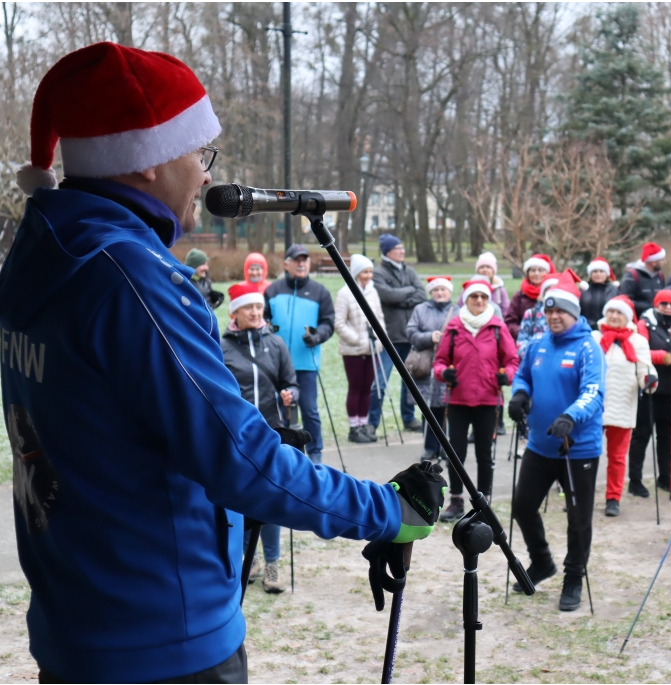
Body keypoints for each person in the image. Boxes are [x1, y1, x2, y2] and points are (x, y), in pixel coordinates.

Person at [1, 41, 447, 683]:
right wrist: (385, 510)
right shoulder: (131, 279)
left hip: (79, 628)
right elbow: (237, 461)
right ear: (147, 158)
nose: (207, 175)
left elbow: (123, 424)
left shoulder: (41, 253)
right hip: (161, 641)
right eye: (197, 152)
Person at [508, 272, 605, 612]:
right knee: (522, 506)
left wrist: (570, 416)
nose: (554, 317)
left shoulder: (588, 347)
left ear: (574, 313)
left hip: (577, 447)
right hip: (540, 444)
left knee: (578, 518)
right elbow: (523, 374)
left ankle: (573, 578)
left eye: (560, 311)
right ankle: (542, 562)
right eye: (549, 312)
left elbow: (593, 391)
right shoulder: (539, 344)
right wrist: (520, 394)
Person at [221, 282, 300, 593]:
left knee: (270, 498)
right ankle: (247, 558)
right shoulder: (222, 346)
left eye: (258, 308)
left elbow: (291, 383)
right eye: (248, 308)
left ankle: (272, 565)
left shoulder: (276, 344)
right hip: (234, 434)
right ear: (234, 313)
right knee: (237, 498)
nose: (256, 313)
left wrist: (290, 394)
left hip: (270, 432)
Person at [434, 277, 519, 522]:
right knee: (456, 453)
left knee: (485, 454)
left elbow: (512, 360)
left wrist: (507, 376)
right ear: (466, 300)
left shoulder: (497, 328)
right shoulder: (453, 327)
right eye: (474, 297)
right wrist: (444, 373)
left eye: (483, 297)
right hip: (458, 401)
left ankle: (484, 503)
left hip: (488, 401)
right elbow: (439, 363)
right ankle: (456, 500)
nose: (479, 301)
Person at [264, 243, 335, 464]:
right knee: (276, 410)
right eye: (297, 260)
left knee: (309, 410)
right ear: (287, 264)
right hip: (276, 364)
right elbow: (264, 320)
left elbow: (328, 322)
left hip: (306, 362)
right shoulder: (273, 290)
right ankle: (281, 452)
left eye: (305, 259)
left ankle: (315, 453)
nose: (302, 263)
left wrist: (317, 336)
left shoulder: (320, 291)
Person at [592, 295, 655, 517]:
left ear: (627, 317)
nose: (614, 316)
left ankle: (613, 498)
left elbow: (645, 370)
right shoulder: (593, 337)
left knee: (617, 457)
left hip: (623, 405)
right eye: (611, 311)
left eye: (619, 313)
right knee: (587, 454)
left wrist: (649, 379)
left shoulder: (638, 342)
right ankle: (583, 494)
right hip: (594, 406)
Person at [628, 289, 671, 493]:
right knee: (642, 434)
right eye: (664, 304)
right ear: (656, 304)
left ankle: (665, 477)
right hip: (649, 388)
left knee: (668, 437)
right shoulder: (645, 323)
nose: (669, 308)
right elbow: (640, 350)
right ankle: (635, 480)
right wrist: (664, 357)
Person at [370, 233, 427, 434]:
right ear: (388, 252)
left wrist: (401, 297)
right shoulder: (378, 273)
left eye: (403, 248)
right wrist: (407, 292)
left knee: (410, 382)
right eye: (398, 249)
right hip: (388, 337)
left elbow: (421, 294)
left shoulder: (409, 271)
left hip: (410, 336)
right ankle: (372, 422)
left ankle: (409, 418)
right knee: (380, 382)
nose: (402, 252)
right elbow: (386, 295)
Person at [334, 254, 385, 444]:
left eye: (371, 271)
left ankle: (363, 424)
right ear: (356, 273)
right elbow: (339, 323)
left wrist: (380, 340)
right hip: (353, 350)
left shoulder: (373, 292)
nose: (369, 275)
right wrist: (357, 339)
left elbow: (379, 318)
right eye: (365, 272)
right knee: (355, 388)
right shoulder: (345, 293)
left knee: (368, 388)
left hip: (372, 348)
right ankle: (354, 427)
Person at [406, 276, 456, 461]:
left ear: (450, 292)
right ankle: (430, 446)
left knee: (448, 408)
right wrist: (429, 337)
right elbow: (411, 332)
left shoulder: (458, 311)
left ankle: (447, 446)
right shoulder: (420, 309)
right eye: (436, 290)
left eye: (443, 290)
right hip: (426, 366)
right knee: (430, 408)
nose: (439, 293)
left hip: (449, 366)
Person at [506, 253, 555, 339]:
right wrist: (523, 333)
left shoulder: (554, 294)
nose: (536, 274)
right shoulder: (519, 296)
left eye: (540, 270)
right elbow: (510, 322)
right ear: (528, 273)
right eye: (533, 270)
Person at [517, 271, 562, 350]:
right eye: (548, 290)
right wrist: (532, 354)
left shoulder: (566, 315)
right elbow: (521, 341)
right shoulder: (531, 314)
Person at [620, 242, 667, 315]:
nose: (665, 262)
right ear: (653, 262)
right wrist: (651, 307)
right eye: (662, 260)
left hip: (657, 320)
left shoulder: (660, 275)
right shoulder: (631, 276)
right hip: (637, 320)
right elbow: (625, 301)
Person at [456, 251, 510, 315]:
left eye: (488, 267)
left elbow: (506, 311)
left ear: (493, 271)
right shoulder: (469, 288)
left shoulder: (500, 290)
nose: (485, 270)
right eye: (482, 267)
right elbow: (459, 307)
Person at [580, 256, 620, 329]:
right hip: (585, 328)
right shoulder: (583, 290)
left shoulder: (615, 291)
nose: (598, 274)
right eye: (595, 271)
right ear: (590, 274)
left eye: (601, 271)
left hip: (609, 329)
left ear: (607, 274)